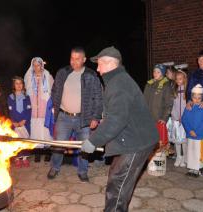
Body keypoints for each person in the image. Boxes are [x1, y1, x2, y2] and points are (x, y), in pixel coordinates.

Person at [81, 46, 158, 211]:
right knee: (116, 178)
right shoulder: (117, 80)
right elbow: (117, 115)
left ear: (109, 64)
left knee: (118, 184)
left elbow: (117, 119)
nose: (98, 68)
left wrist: (93, 141)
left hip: (137, 142)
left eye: (99, 64)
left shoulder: (118, 84)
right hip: (132, 137)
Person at [48, 47, 102, 182]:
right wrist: (55, 106)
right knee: (58, 144)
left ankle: (83, 171)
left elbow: (98, 97)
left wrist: (96, 117)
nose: (74, 61)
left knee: (84, 146)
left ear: (84, 60)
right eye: (72, 58)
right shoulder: (62, 72)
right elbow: (55, 90)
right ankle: (55, 167)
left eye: (77, 59)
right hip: (63, 117)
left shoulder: (91, 75)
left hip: (83, 118)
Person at [24, 57, 54, 163]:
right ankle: (37, 152)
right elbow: (26, 93)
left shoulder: (47, 76)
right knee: (35, 131)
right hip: (33, 109)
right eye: (35, 65)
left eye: (38, 65)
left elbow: (53, 92)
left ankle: (47, 153)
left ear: (42, 65)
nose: (37, 67)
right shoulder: (28, 77)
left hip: (44, 108)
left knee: (45, 131)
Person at [182, 84, 203, 177]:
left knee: (198, 152)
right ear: (191, 97)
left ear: (202, 98)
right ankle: (191, 168)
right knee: (191, 151)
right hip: (190, 135)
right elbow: (184, 119)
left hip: (199, 135)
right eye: (195, 97)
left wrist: (196, 132)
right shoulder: (188, 107)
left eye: (199, 97)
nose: (197, 99)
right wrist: (189, 130)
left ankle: (198, 168)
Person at [144, 64, 174, 147]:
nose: (155, 73)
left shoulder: (166, 86)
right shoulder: (149, 85)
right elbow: (144, 101)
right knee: (149, 141)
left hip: (159, 118)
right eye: (154, 71)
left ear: (163, 73)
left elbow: (169, 103)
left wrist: (164, 118)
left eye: (158, 72)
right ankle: (150, 158)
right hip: (149, 119)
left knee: (160, 143)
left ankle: (160, 159)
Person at [7, 76, 32, 167]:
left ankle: (25, 158)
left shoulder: (27, 97)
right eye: (16, 83)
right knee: (16, 141)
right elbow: (9, 111)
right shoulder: (10, 97)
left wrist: (25, 120)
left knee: (24, 141)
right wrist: (13, 121)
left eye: (20, 83)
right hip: (15, 123)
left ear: (23, 85)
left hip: (24, 123)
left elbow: (29, 110)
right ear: (13, 85)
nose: (19, 85)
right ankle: (17, 158)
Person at [169, 68, 188, 167]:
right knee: (177, 140)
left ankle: (185, 157)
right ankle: (178, 157)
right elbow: (172, 105)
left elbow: (188, 106)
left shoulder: (187, 92)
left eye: (180, 79)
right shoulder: (174, 91)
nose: (178, 81)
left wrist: (183, 117)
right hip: (176, 119)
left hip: (184, 120)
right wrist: (175, 116)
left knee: (184, 140)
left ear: (184, 79)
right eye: (177, 79)